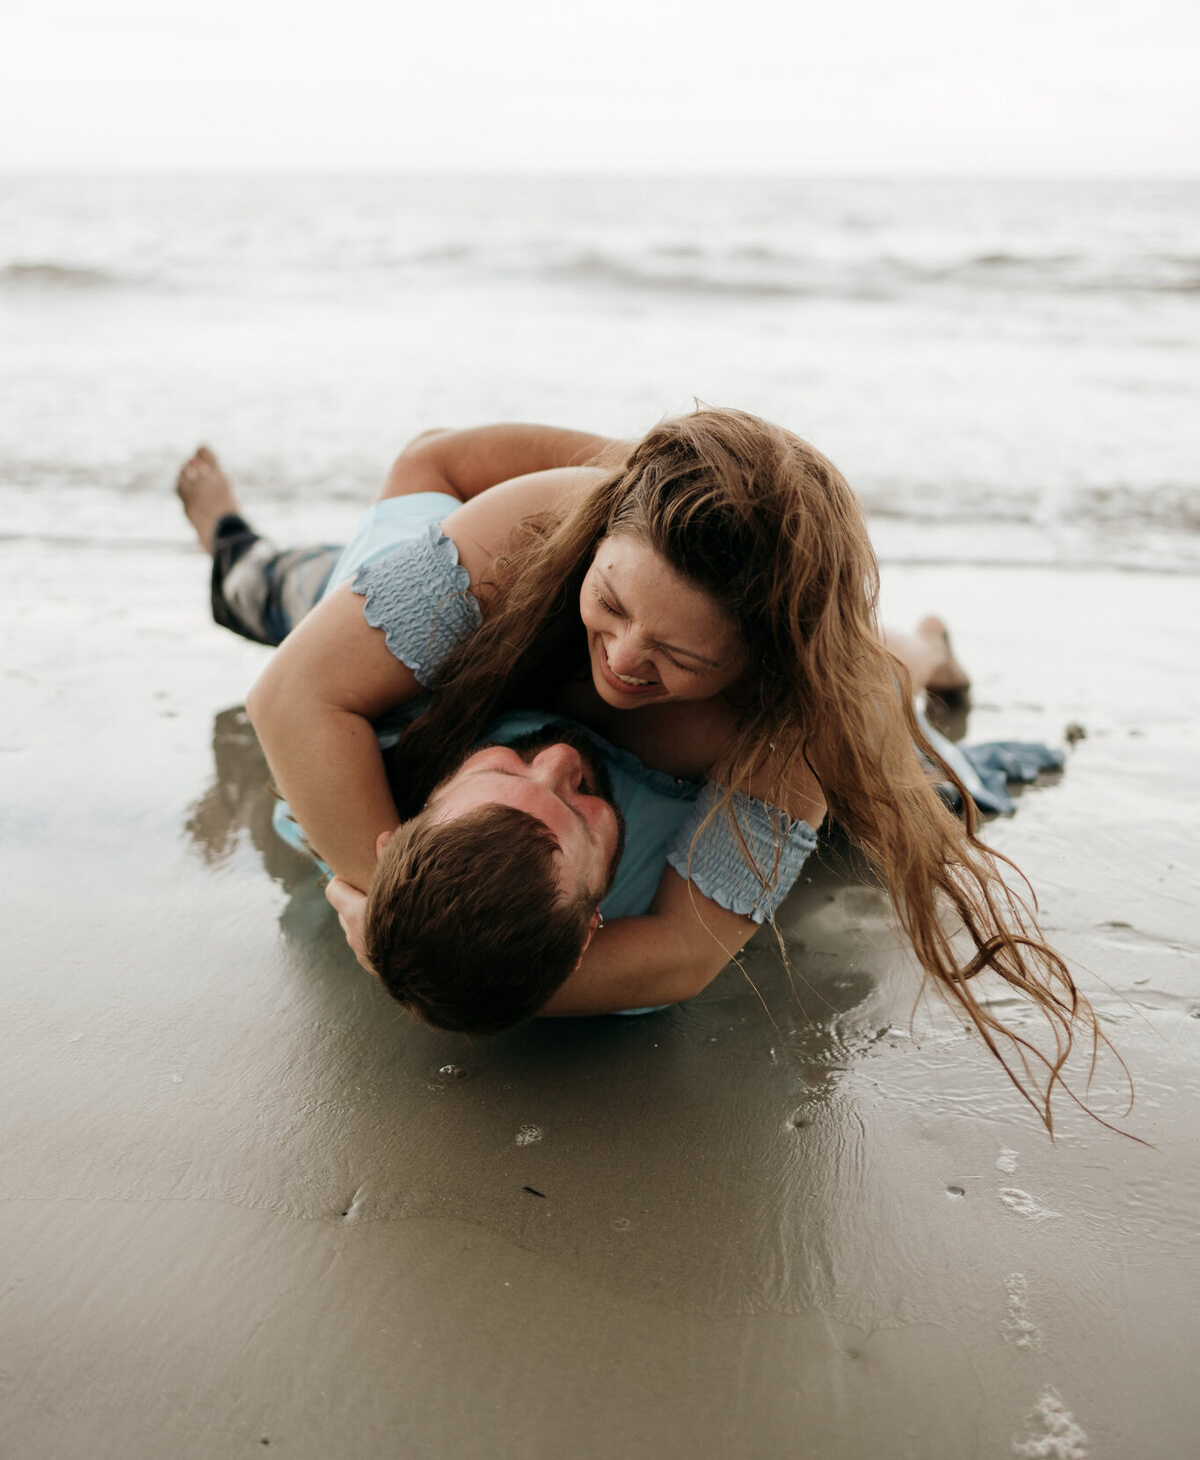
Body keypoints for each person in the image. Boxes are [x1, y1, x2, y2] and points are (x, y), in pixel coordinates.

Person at [178, 414, 1087, 1128]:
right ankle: (227, 532)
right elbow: (295, 691)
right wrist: (413, 920)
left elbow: (686, 955)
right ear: (601, 542)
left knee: (885, 691)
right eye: (610, 606)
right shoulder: (530, 534)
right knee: (266, 587)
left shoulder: (790, 718)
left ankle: (928, 648)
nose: (621, 659)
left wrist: (409, 953)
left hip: (838, 664)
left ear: (755, 659)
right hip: (463, 585)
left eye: (681, 657)